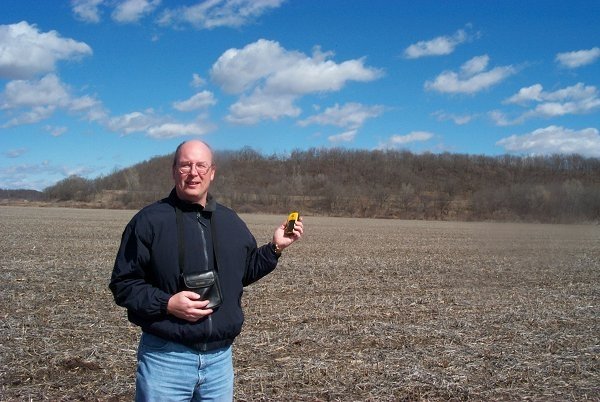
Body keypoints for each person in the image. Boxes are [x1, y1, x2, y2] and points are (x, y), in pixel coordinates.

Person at [109, 139, 303, 401]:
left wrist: (275, 248)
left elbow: (243, 272)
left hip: (219, 364)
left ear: (212, 172)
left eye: (201, 165)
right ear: (174, 170)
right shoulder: (148, 221)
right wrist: (167, 303)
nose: (193, 172)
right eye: (186, 165)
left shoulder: (230, 221)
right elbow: (124, 284)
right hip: (166, 359)